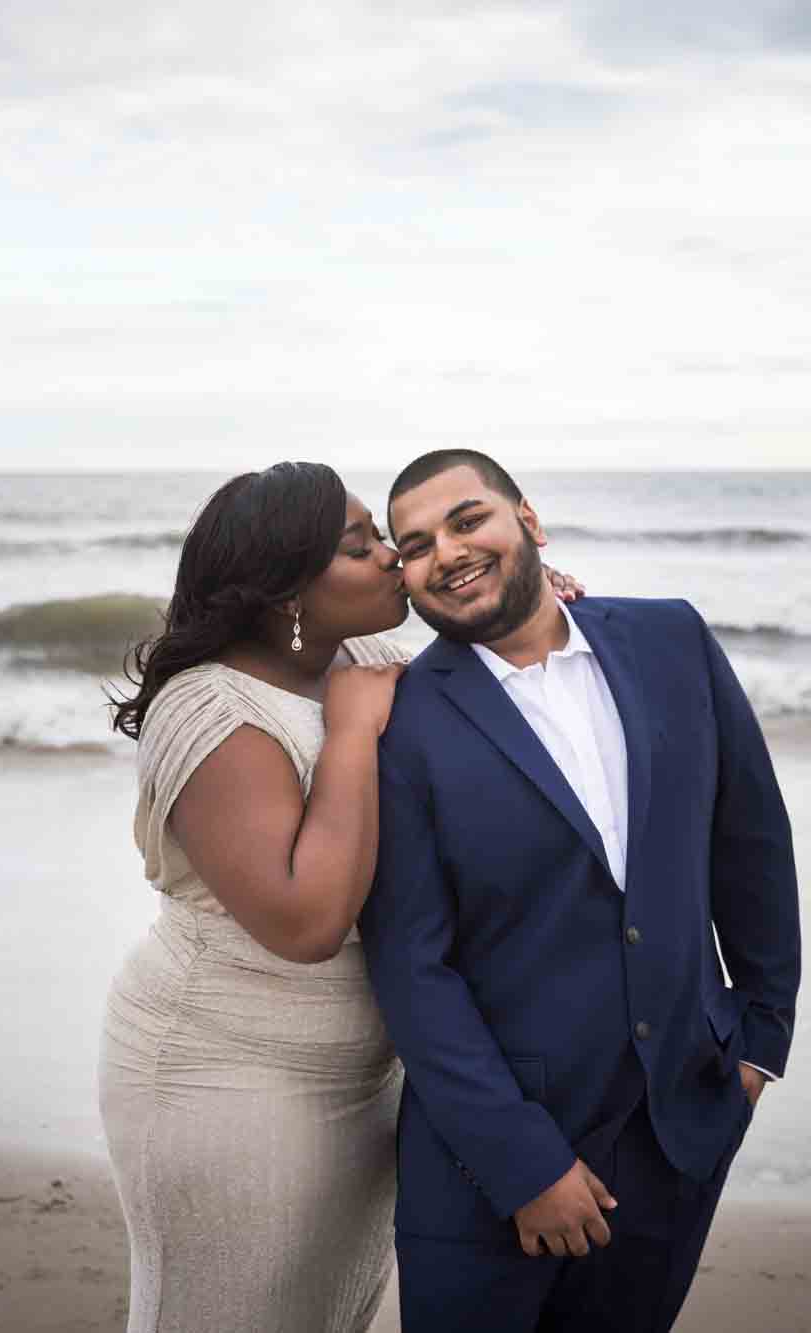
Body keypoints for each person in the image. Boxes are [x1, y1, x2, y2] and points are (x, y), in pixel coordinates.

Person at [98, 461, 580, 1333]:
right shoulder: (211, 709)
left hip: (364, 1077)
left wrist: (535, 606)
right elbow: (308, 918)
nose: (395, 558)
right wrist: (354, 732)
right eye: (362, 547)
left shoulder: (355, 656)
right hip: (230, 1076)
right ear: (289, 591)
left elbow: (488, 688)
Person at [360, 449, 802, 1333]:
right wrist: (523, 1165)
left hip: (677, 1131)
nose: (444, 552)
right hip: (488, 1168)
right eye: (414, 545)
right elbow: (413, 968)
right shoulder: (401, 718)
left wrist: (760, 1044)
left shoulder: (672, 640)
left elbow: (750, 843)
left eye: (466, 519)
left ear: (529, 518)